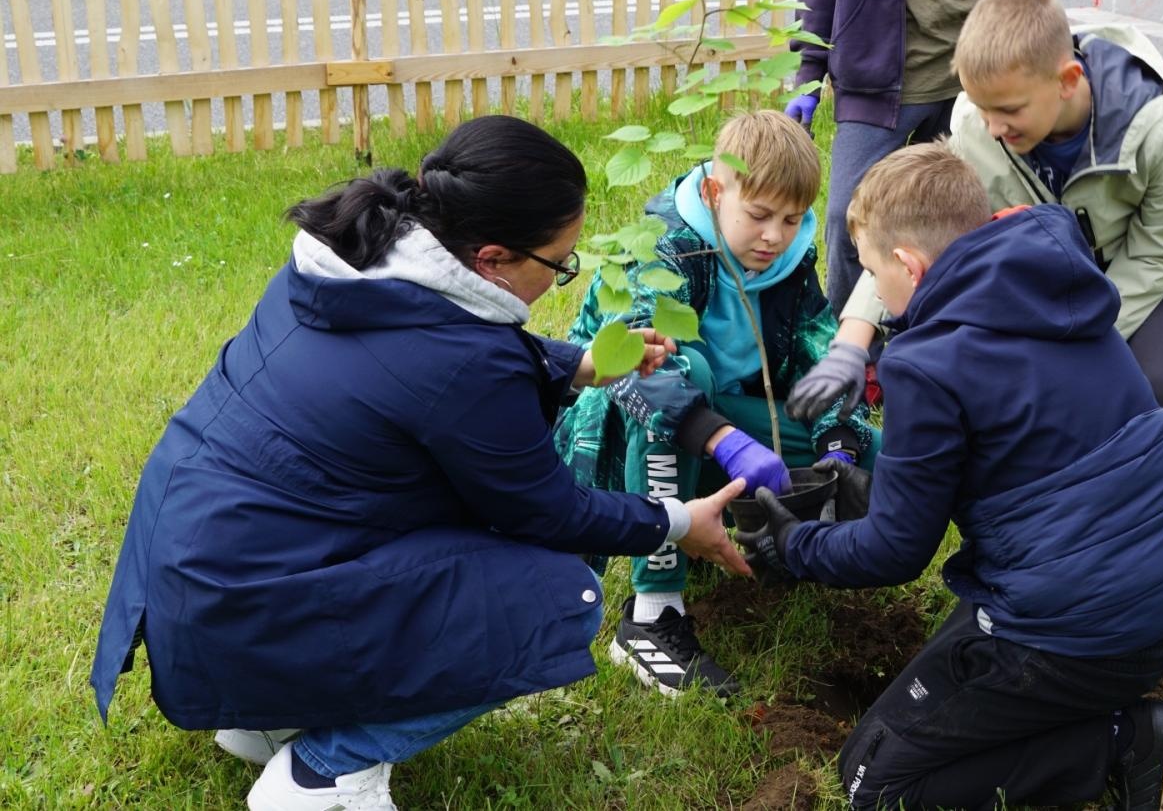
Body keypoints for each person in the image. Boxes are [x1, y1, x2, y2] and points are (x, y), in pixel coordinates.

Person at [89, 116, 752, 811]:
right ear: (493, 256)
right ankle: (321, 773)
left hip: (202, 574)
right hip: (241, 602)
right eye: (559, 265)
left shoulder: (352, 259)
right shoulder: (461, 362)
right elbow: (547, 510)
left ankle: (267, 717)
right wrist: (678, 522)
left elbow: (428, 361)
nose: (560, 279)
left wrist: (577, 365)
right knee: (560, 595)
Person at [736, 143, 1163, 810]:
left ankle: (1127, 738)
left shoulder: (927, 360)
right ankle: (1099, 708)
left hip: (1085, 623)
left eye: (876, 274)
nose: (878, 296)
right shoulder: (1054, 283)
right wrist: (880, 494)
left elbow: (895, 553)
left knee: (874, 781)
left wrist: (793, 543)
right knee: (957, 666)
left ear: (909, 266)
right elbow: (1021, 448)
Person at [791, 0, 1163, 441]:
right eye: (982, 107)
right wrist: (853, 339)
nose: (992, 128)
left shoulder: (1156, 124)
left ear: (1068, 81)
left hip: (1153, 253)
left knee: (1150, 380)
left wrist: (1079, 334)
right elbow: (918, 228)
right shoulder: (980, 124)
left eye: (1008, 110)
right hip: (1050, 254)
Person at [556, 110, 879, 699]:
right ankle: (652, 613)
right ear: (714, 191)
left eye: (791, 218)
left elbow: (821, 352)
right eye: (757, 216)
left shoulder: (789, 260)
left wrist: (839, 443)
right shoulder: (663, 248)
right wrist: (724, 439)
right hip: (621, 420)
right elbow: (630, 368)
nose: (775, 236)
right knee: (687, 371)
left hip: (720, 421)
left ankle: (795, 545)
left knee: (866, 443)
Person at [784, 0, 1048, 314]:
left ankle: (944, 338)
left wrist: (1032, 64)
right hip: (874, 74)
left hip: (973, 83)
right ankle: (854, 353)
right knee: (844, 220)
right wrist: (810, 70)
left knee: (969, 223)